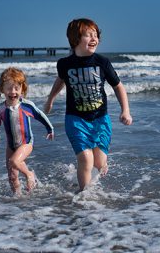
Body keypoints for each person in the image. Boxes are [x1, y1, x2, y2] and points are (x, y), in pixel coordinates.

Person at [44, 18, 132, 191]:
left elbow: (118, 86)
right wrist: (50, 100)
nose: (94, 39)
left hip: (100, 119)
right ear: (76, 39)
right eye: (88, 35)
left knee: (98, 163)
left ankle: (99, 168)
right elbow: (60, 81)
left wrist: (125, 111)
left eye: (96, 35)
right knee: (85, 159)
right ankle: (84, 196)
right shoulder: (65, 64)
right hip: (75, 119)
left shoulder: (102, 62)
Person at [0, 67, 54, 195]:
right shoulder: (0, 109)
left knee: (14, 161)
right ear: (2, 89)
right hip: (11, 146)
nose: (13, 92)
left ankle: (29, 174)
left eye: (16, 88)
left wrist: (50, 129)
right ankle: (18, 199)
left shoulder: (26, 106)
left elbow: (40, 115)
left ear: (22, 89)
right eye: (9, 88)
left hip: (26, 143)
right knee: (12, 176)